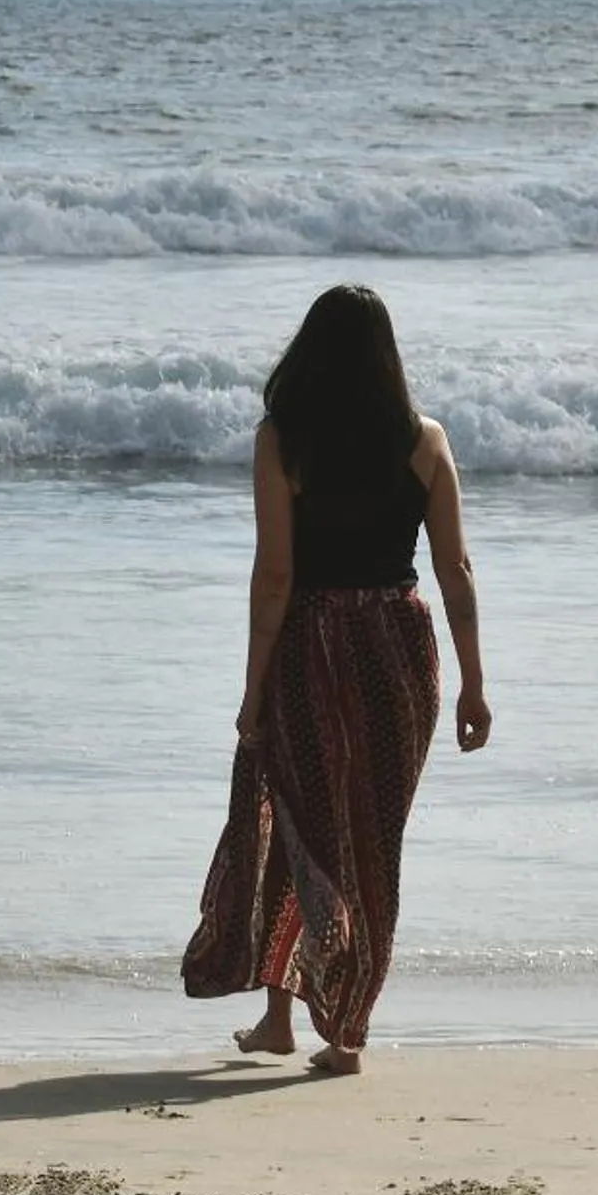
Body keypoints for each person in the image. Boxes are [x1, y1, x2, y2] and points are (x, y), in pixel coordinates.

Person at [182, 284, 491, 1074]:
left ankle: (318, 1019)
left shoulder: (283, 442)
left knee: (293, 821)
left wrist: (253, 689)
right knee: (367, 841)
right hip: (398, 649)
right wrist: (472, 682)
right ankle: (320, 1025)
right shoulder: (425, 441)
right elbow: (454, 570)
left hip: (311, 647)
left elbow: (275, 577)